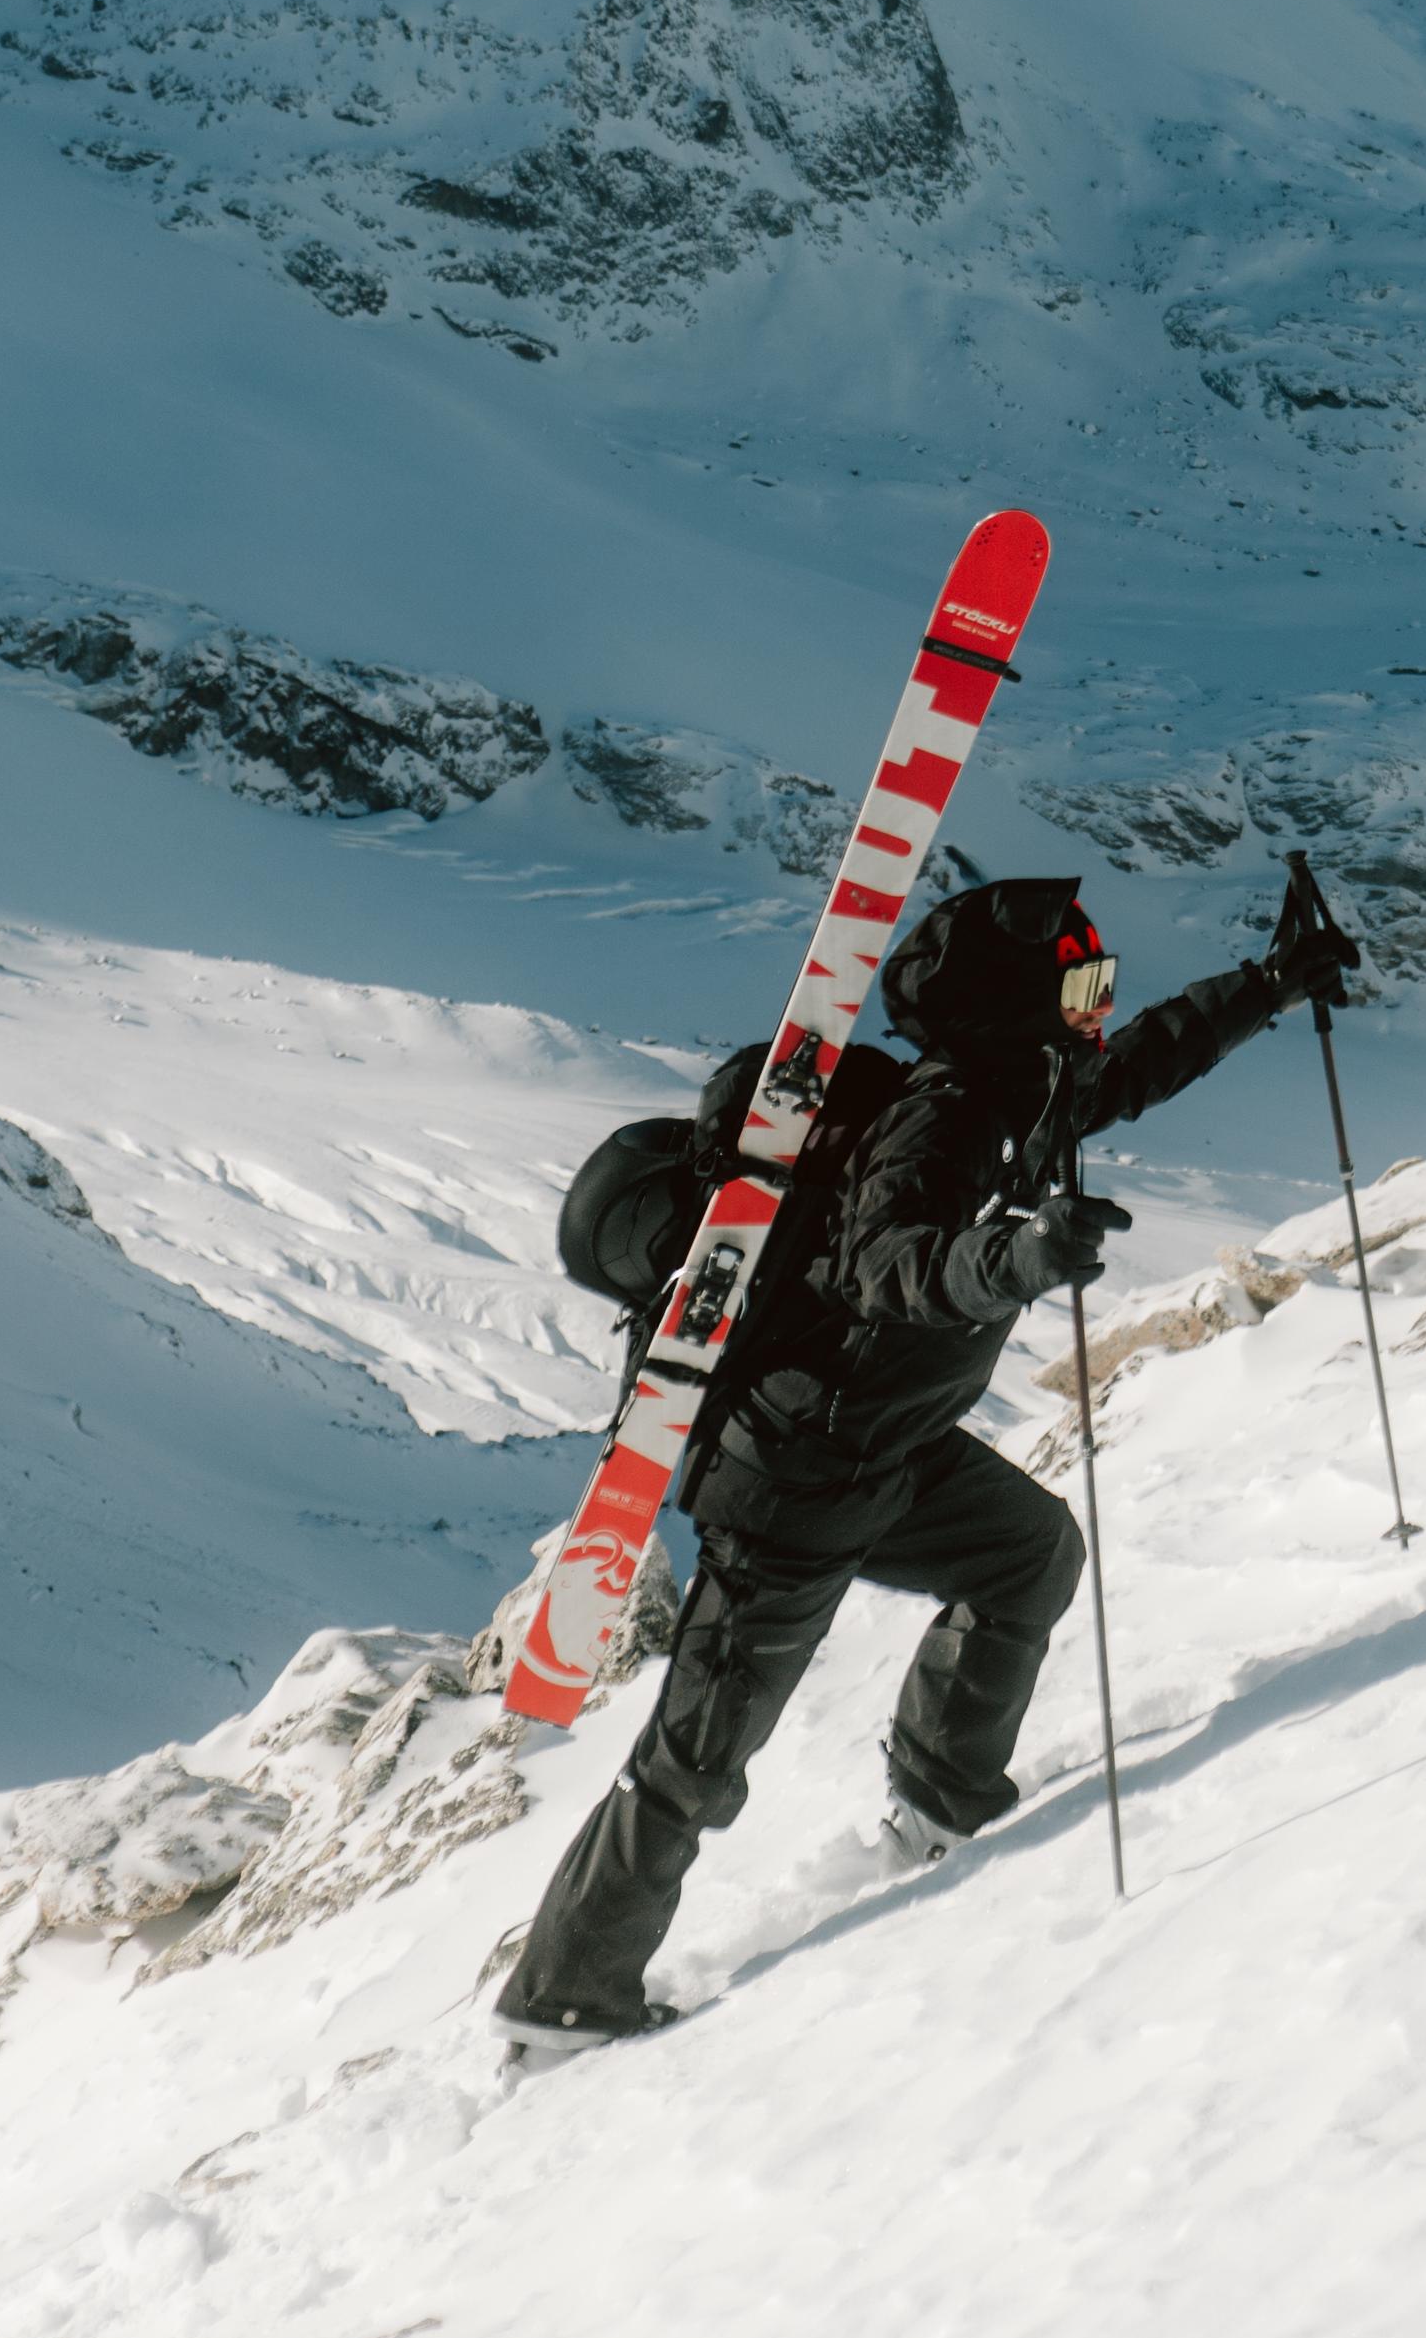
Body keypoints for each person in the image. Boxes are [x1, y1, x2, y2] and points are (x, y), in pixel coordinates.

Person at [497, 860, 1362, 2043]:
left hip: (885, 1450)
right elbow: (884, 1265)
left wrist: (1268, 984)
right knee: (696, 1762)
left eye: (1100, 978)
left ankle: (939, 1811)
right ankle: (562, 1998)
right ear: (1014, 999)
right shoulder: (941, 1117)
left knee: (1028, 1558)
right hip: (794, 1476)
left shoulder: (1026, 1088)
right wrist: (1016, 1260)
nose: (1098, 1003)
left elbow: (1142, 1064)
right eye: (1081, 980)